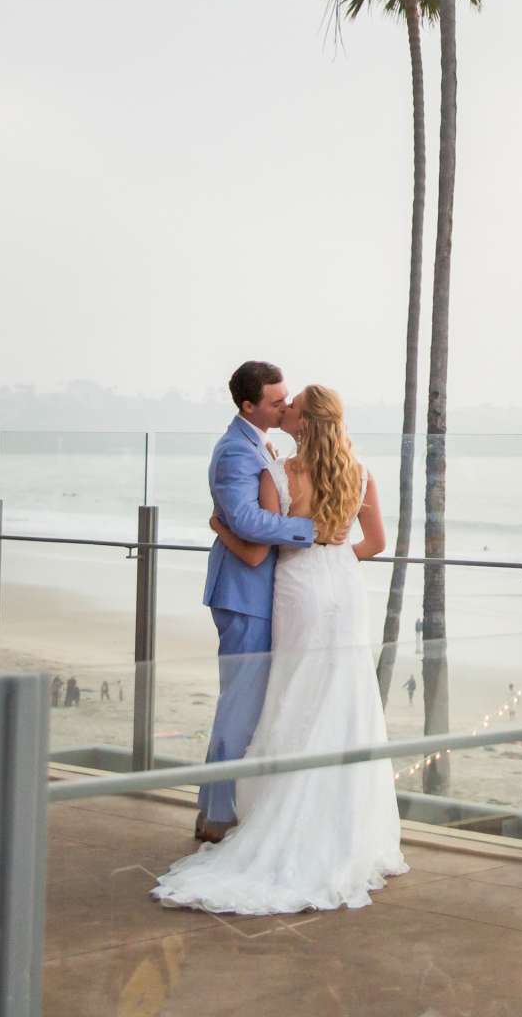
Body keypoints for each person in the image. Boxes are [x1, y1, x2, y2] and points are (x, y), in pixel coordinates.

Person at [155, 382, 403, 915]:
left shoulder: (284, 473)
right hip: (343, 587)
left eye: (291, 408)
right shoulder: (361, 474)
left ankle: (263, 817)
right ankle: (346, 829)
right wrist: (336, 557)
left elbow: (253, 549)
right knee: (344, 698)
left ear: (306, 424)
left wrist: (221, 527)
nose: (284, 410)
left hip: (300, 589)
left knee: (292, 693)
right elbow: (378, 543)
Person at [179, 362, 321, 845]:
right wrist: (313, 533)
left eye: (286, 399)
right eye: (276, 401)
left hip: (259, 591)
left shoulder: (260, 444)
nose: (284, 406)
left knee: (243, 705)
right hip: (243, 593)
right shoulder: (235, 452)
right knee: (238, 709)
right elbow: (245, 520)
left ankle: (211, 810)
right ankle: (218, 818)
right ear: (248, 406)